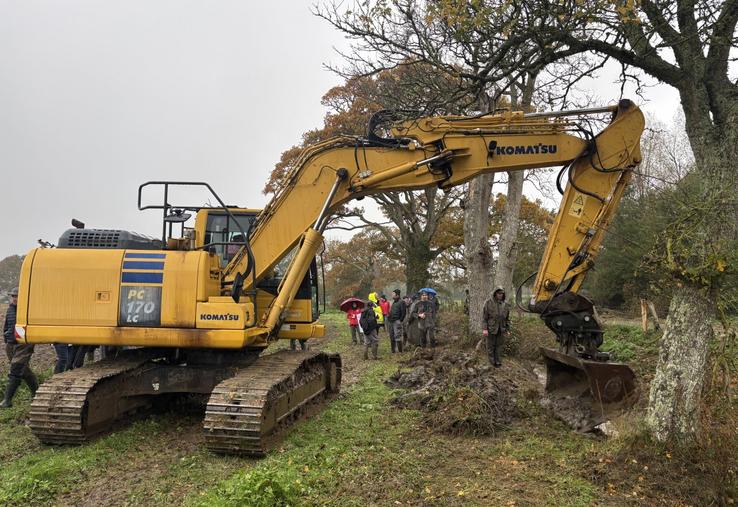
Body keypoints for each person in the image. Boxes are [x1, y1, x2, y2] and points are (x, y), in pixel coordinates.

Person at [2, 288, 38, 408]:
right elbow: (7, 325)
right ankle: (36, 393)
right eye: (13, 296)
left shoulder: (29, 310)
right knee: (24, 370)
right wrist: (6, 338)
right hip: (11, 344)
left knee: (16, 368)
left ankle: (7, 400)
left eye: (17, 296)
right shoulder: (10, 309)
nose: (15, 298)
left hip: (24, 342)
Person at [482, 287, 511, 367]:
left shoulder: (505, 304)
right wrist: (485, 329)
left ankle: (498, 362)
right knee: (490, 347)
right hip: (491, 328)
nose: (500, 295)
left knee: (499, 347)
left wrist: (508, 330)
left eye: (502, 293)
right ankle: (491, 363)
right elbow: (484, 318)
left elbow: (507, 319)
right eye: (499, 293)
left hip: (501, 329)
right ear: (495, 294)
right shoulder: (488, 303)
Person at [387, 289, 407, 353]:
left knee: (397, 336)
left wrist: (399, 321)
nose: (392, 295)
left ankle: (400, 352)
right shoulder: (394, 302)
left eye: (393, 294)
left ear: (397, 295)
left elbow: (403, 313)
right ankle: (393, 351)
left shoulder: (401, 302)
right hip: (391, 321)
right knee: (391, 336)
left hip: (397, 322)